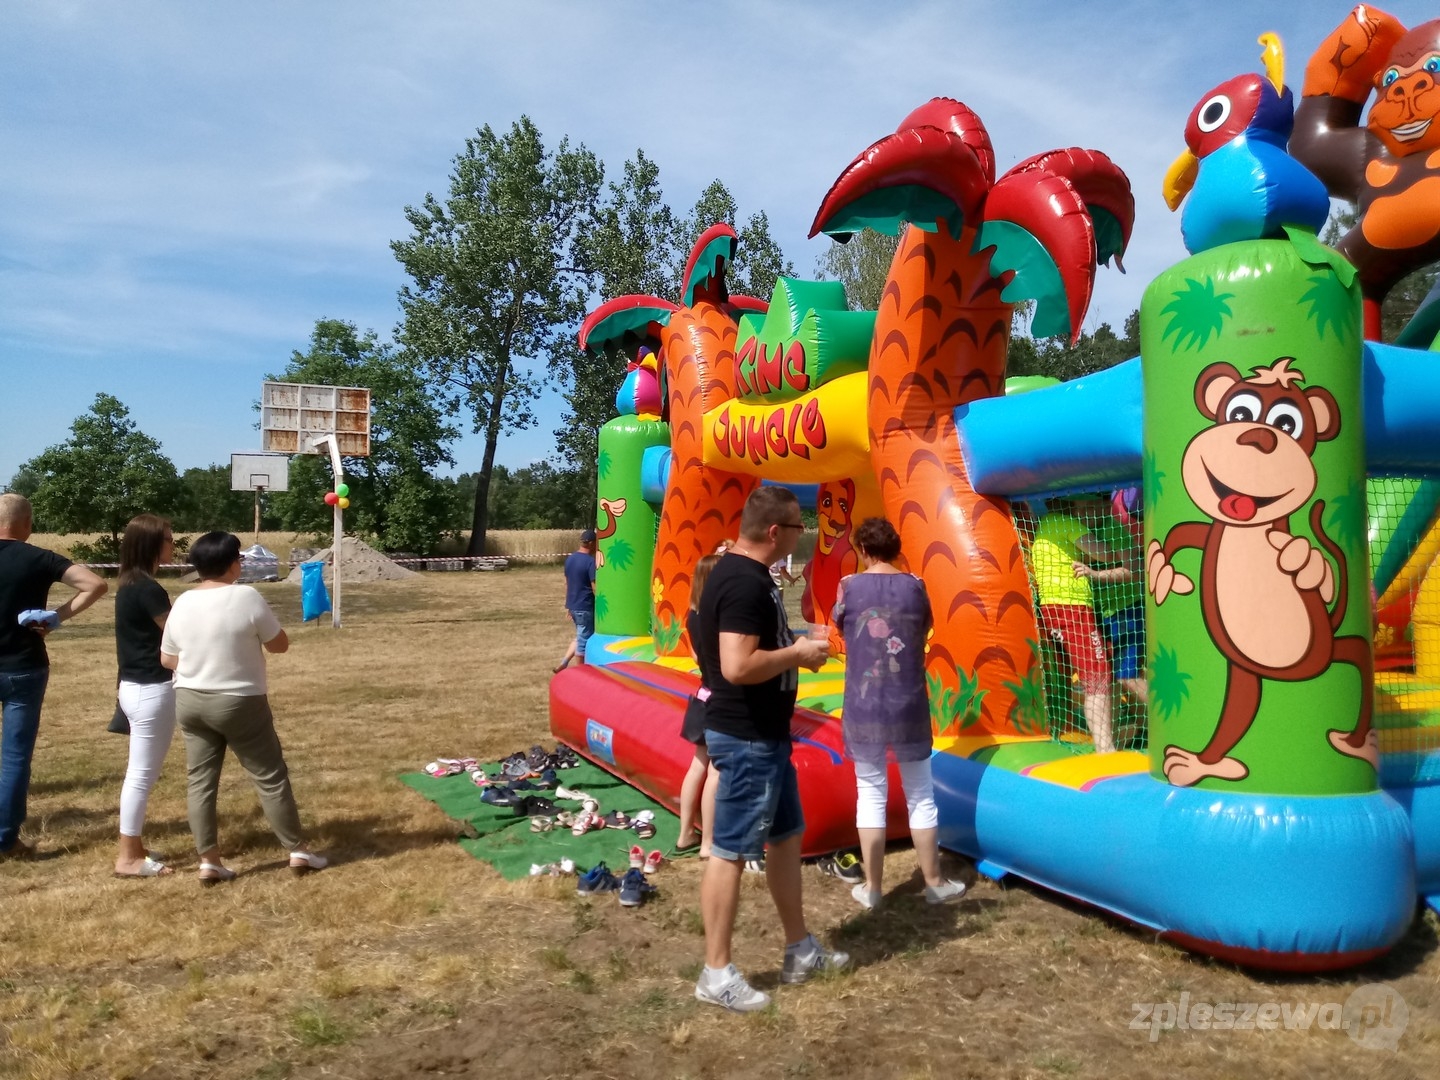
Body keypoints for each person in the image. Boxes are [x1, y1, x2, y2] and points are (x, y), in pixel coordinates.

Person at [693, 486, 845, 1013]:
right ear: (775, 531)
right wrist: (798, 654)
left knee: (785, 837)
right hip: (747, 738)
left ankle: (799, 950)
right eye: (800, 527)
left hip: (766, 736)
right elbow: (737, 666)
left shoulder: (748, 576)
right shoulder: (742, 581)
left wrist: (794, 644)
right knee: (730, 852)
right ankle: (716, 973)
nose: (803, 536)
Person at [160, 531, 325, 884]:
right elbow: (279, 645)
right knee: (269, 776)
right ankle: (297, 850)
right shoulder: (246, 596)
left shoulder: (183, 601)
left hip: (190, 699)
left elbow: (167, 658)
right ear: (233, 564)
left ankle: (209, 861)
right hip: (240, 700)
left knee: (200, 782)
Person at [832, 517, 966, 909]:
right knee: (920, 793)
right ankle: (935, 882)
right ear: (895, 548)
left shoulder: (848, 586)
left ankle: (873, 888)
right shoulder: (916, 586)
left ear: (863, 549)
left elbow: (840, 624)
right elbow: (925, 627)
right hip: (908, 702)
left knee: (870, 793)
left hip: (865, 704)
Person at [0, 493, 107, 860]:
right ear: (27, 524)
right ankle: (5, 840)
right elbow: (95, 584)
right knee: (15, 757)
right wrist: (56, 617)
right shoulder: (40, 558)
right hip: (24, 666)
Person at [113, 514, 178, 877]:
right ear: (152, 544)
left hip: (136, 688)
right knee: (140, 776)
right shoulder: (148, 589)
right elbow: (175, 636)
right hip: (151, 690)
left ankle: (134, 848)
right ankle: (128, 858)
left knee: (140, 774)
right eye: (168, 538)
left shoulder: (130, 584)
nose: (173, 544)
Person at [1030, 497, 1115, 754]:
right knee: (1096, 675)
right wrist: (1121, 550)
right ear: (1070, 506)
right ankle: (1105, 748)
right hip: (1072, 606)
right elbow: (1103, 553)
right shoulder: (1065, 522)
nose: (1088, 513)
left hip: (1052, 607)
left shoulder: (1044, 525)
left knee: (1088, 672)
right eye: (1085, 507)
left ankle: (1099, 739)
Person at [678, 553, 721, 856]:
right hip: (720, 698)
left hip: (704, 692)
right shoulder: (716, 618)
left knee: (697, 766)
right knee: (716, 772)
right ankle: (708, 842)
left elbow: (695, 656)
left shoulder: (693, 615)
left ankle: (685, 834)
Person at [555, 530, 597, 673]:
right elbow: (594, 587)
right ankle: (581, 672)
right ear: (591, 543)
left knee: (580, 636)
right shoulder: (590, 562)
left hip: (573, 604)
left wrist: (569, 605)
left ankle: (564, 662)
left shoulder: (570, 559)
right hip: (585, 606)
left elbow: (568, 583)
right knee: (584, 640)